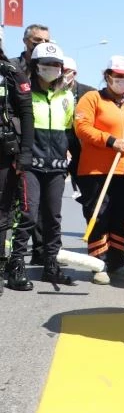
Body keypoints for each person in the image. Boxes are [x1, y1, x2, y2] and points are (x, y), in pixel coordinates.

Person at [6, 42, 76, 290]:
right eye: (46, 64)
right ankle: (16, 266)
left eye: (56, 64)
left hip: (56, 167)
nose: (52, 68)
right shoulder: (24, 93)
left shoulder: (67, 97)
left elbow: (68, 130)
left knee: (53, 218)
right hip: (30, 167)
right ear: (36, 66)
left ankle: (51, 265)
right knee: (28, 215)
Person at [74, 56, 124, 285]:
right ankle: (98, 264)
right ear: (107, 76)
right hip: (95, 171)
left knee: (120, 217)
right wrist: (110, 140)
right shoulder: (92, 98)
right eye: (118, 76)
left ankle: (118, 263)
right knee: (99, 216)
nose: (122, 80)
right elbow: (82, 127)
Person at [0, 47, 33, 295]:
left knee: (3, 212)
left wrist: (25, 153)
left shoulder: (11, 73)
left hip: (4, 152)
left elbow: (27, 114)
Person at [62, 56, 96, 200]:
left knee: (89, 193)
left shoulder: (89, 93)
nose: (62, 74)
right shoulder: (50, 91)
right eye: (60, 70)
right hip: (59, 146)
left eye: (66, 71)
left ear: (74, 73)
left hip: (82, 148)